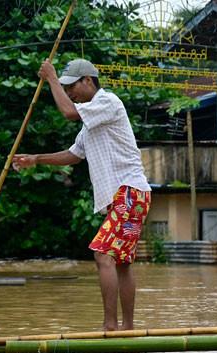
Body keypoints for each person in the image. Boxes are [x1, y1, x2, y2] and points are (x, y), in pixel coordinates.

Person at [12, 58, 152, 331]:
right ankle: (127, 329)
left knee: (102, 255)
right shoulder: (91, 122)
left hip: (131, 192)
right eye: (65, 87)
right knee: (121, 263)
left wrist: (51, 77)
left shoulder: (108, 102)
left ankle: (111, 327)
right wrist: (36, 159)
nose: (69, 93)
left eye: (71, 86)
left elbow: (68, 113)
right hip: (128, 196)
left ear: (89, 80)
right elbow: (72, 156)